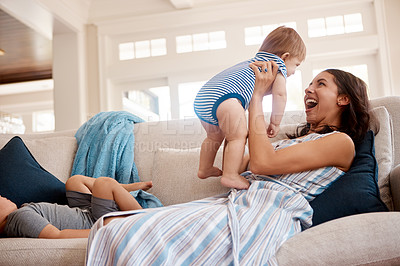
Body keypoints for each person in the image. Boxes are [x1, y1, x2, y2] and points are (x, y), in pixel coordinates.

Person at [85, 62, 374, 265]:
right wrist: (228, 120)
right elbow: (245, 160)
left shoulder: (341, 142)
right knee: (111, 226)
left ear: (343, 99)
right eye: (309, 83)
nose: (309, 89)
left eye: (320, 84)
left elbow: (261, 164)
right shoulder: (295, 140)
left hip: (264, 214)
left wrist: (257, 95)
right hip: (237, 202)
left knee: (131, 234)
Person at [194, 26, 306, 189]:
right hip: (226, 99)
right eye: (296, 65)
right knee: (238, 136)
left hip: (204, 97)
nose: (294, 72)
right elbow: (280, 95)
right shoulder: (277, 66)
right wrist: (275, 122)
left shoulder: (252, 62)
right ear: (285, 57)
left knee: (214, 137)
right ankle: (230, 175)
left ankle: (204, 168)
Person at [0, 175, 152, 238]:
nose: (2, 196)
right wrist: (103, 227)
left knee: (74, 181)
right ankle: (145, 218)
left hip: (84, 212)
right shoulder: (19, 217)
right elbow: (57, 236)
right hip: (93, 220)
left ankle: (124, 189)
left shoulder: (18, 216)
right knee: (103, 183)